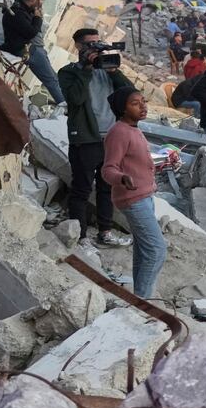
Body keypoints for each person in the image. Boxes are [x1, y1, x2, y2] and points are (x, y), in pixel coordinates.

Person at [59, 28, 135, 249]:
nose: (96, 48)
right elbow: (75, 98)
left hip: (110, 138)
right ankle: (80, 237)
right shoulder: (68, 72)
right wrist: (85, 69)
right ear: (79, 47)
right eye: (90, 44)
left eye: (98, 43)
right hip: (85, 138)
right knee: (82, 188)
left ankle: (105, 232)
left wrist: (114, 72)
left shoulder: (106, 71)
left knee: (106, 188)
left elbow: (131, 94)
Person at [99, 87, 170, 298]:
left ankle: (139, 300)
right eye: (135, 103)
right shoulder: (118, 132)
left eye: (144, 101)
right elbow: (108, 168)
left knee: (143, 250)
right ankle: (143, 302)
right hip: (132, 199)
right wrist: (121, 177)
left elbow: (136, 162)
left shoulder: (133, 129)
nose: (143, 106)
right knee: (157, 250)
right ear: (122, 108)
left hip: (145, 197)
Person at [0, 0, 64, 103]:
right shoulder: (17, 13)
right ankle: (68, 109)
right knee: (51, 81)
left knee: (54, 78)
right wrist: (38, 18)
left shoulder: (24, 10)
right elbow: (31, 33)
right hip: (26, 50)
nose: (42, 2)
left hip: (33, 49)